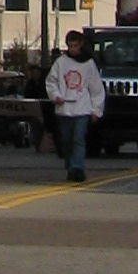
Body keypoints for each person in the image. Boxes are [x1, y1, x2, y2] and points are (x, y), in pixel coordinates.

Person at [44, 28, 104, 182]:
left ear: (81, 45)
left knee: (78, 138)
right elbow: (51, 82)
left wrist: (96, 109)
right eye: (70, 46)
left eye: (75, 46)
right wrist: (56, 95)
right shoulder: (61, 63)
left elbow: (96, 88)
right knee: (67, 140)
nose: (73, 49)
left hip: (82, 108)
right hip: (64, 108)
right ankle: (70, 163)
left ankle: (77, 168)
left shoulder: (89, 64)